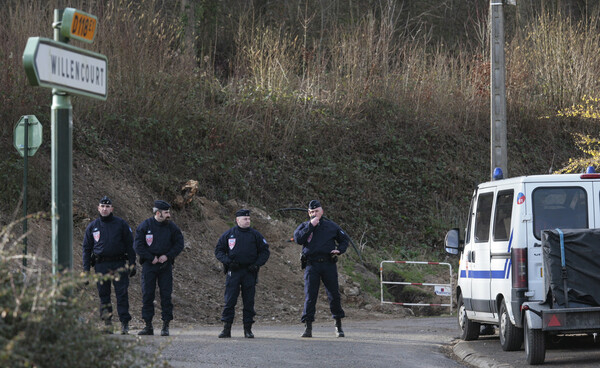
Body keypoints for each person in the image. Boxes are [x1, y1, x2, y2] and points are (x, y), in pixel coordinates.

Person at [294, 200, 349, 338]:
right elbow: (298, 239)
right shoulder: (305, 226)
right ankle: (308, 327)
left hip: (328, 264)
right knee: (310, 296)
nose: (314, 214)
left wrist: (339, 250)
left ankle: (338, 325)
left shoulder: (331, 226)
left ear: (322, 211)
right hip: (311, 265)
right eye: (311, 212)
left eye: (316, 211)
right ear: (308, 213)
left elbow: (344, 239)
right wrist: (310, 227)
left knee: (334, 295)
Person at [82, 196, 136, 334]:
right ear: (98, 208)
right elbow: (86, 249)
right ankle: (107, 323)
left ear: (112, 209)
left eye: (107, 207)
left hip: (119, 263)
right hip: (101, 264)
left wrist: (132, 263)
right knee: (104, 295)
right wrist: (86, 270)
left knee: (121, 294)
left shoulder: (121, 224)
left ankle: (124, 323)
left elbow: (130, 245)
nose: (105, 209)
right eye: (102, 206)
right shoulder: (93, 227)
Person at [215, 209, 270, 338]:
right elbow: (219, 251)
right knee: (230, 300)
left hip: (249, 272)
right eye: (245, 219)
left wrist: (257, 264)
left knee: (249, 301)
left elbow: (265, 252)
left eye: (249, 219)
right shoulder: (229, 234)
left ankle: (248, 329)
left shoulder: (255, 235)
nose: (247, 221)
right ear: (237, 220)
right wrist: (228, 262)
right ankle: (226, 329)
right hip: (234, 272)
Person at [133, 200, 184, 336]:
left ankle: (165, 325)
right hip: (149, 265)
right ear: (158, 213)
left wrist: (167, 256)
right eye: (166, 212)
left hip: (165, 266)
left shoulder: (172, 227)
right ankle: (148, 325)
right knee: (147, 295)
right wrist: (151, 257)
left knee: (166, 295)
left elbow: (179, 244)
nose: (169, 215)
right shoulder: (145, 226)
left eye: (168, 212)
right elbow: (138, 245)